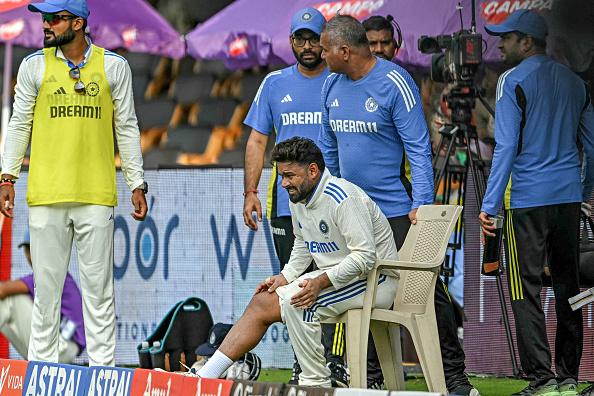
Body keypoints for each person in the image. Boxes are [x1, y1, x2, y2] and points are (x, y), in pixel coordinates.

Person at [317, 15, 478, 396]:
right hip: (351, 215)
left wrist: (421, 207)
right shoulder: (330, 86)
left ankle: (455, 378)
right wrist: (331, 204)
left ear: (344, 50)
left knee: (426, 294)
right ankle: (369, 377)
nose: (321, 55)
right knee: (357, 293)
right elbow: (329, 152)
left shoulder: (395, 82)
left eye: (325, 48)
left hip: (395, 213)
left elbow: (419, 150)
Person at [0, 0, 148, 367]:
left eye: (54, 19)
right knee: (46, 294)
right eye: (44, 18)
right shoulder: (33, 65)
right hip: (45, 194)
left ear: (78, 23)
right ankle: (41, 375)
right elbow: (19, 125)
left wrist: (137, 182)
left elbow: (126, 127)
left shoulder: (114, 67)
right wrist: (6, 177)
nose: (45, 25)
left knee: (99, 293)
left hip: (96, 195)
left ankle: (102, 376)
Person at [198, 137, 399, 388]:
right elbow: (303, 243)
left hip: (377, 280)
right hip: (341, 278)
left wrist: (321, 282)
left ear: (313, 171)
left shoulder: (342, 197)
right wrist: (285, 276)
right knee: (263, 302)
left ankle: (315, 384)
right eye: (281, 176)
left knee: (300, 304)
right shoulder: (300, 199)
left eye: (290, 175)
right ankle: (204, 378)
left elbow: (366, 257)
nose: (284, 184)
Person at [479, 9, 594, 396]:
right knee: (569, 287)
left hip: (526, 201)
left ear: (527, 42)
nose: (500, 44)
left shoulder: (512, 79)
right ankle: (568, 377)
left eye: (506, 38)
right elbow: (592, 148)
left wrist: (490, 205)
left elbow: (506, 146)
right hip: (567, 199)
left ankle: (542, 381)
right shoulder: (576, 82)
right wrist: (584, 190)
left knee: (522, 288)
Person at [242, 7, 348, 387]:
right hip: (287, 203)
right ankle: (305, 365)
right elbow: (257, 139)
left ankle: (336, 364)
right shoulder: (273, 83)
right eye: (299, 39)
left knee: (333, 281)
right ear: (290, 42)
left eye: (313, 38)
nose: (306, 46)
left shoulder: (340, 81)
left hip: (334, 204)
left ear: (326, 42)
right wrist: (251, 191)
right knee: (292, 284)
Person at [0, 230, 86, 363]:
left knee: (9, 300)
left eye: (34, 248)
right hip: (57, 346)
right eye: (27, 250)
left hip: (62, 346)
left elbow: (2, 290)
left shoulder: (53, 272)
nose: (30, 255)